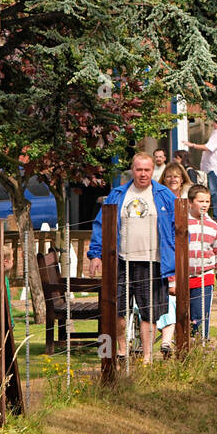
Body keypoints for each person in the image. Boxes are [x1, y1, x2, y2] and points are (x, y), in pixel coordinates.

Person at [88, 152, 176, 364]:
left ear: (153, 171)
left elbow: (179, 229)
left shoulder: (165, 195)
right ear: (132, 170)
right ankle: (121, 351)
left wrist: (176, 260)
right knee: (117, 309)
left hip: (153, 262)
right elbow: (101, 225)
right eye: (139, 170)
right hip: (121, 260)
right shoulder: (118, 194)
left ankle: (147, 357)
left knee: (149, 312)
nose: (143, 174)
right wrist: (96, 254)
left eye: (147, 170)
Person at [175, 184, 217, 339]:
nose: (204, 205)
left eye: (207, 201)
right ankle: (182, 346)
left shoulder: (213, 226)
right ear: (190, 202)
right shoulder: (181, 222)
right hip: (182, 277)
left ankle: (201, 345)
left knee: (200, 316)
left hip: (205, 276)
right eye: (200, 201)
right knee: (181, 317)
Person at [155, 162, 192, 355]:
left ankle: (177, 340)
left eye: (176, 176)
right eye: (169, 176)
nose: (172, 179)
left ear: (182, 178)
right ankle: (166, 341)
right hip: (164, 253)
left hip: (184, 253)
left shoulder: (187, 198)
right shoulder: (158, 198)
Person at [185, 116, 217, 225]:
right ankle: (216, 216)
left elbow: (208, 147)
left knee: (216, 192)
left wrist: (192, 145)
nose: (211, 122)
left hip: (215, 167)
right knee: (214, 192)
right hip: (212, 167)